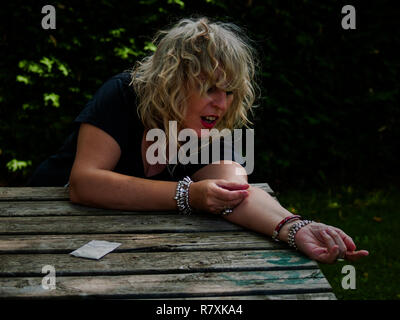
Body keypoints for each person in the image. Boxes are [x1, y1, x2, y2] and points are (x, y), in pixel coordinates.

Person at [28, 17, 368, 264]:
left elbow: (235, 196)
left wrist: (294, 227)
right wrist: (188, 195)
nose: (221, 104)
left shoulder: (211, 131)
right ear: (172, 82)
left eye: (230, 92)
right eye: (209, 89)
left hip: (124, 253)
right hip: (35, 225)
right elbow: (84, 184)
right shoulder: (123, 94)